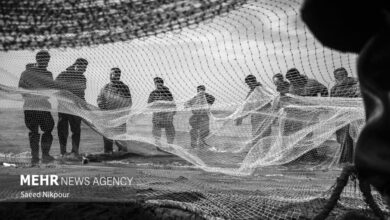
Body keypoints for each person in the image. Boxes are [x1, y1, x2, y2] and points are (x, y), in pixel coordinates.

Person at [18, 50, 55, 164]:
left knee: (48, 129)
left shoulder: (48, 74)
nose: (47, 62)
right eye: (45, 60)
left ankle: (44, 155)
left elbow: (51, 89)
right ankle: (35, 157)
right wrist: (33, 97)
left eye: (48, 60)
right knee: (34, 131)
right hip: (31, 106)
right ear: (38, 60)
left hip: (42, 106)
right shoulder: (26, 73)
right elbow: (21, 88)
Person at [55, 58, 88, 157]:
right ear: (76, 65)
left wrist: (84, 105)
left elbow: (81, 94)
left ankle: (75, 151)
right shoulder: (63, 75)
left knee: (76, 130)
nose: (84, 70)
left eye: (85, 68)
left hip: (76, 108)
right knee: (62, 130)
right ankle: (63, 152)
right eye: (83, 67)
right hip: (63, 107)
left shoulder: (82, 78)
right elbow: (55, 88)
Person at [97, 68, 132, 153]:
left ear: (119, 76)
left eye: (116, 74)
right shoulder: (105, 87)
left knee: (121, 136)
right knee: (107, 135)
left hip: (120, 116)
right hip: (107, 116)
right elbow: (99, 99)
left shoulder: (124, 87)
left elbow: (129, 101)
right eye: (112, 74)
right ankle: (108, 151)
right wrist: (104, 108)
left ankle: (123, 152)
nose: (113, 76)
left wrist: (124, 112)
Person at [330, 67, 360, 163]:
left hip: (354, 115)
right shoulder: (334, 88)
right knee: (341, 138)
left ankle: (353, 159)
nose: (343, 77)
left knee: (352, 136)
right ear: (336, 77)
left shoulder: (355, 84)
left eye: (344, 74)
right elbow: (331, 102)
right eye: (340, 75)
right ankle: (345, 158)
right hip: (340, 116)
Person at [235, 75, 272, 139]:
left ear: (254, 81)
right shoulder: (251, 92)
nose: (248, 86)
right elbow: (245, 106)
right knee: (256, 136)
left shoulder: (263, 89)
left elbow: (271, 99)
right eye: (248, 84)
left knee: (265, 136)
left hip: (265, 116)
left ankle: (264, 148)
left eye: (249, 84)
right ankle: (257, 148)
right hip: (256, 117)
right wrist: (240, 117)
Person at [147, 77, 176, 145]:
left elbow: (172, 103)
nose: (158, 85)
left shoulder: (167, 92)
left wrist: (172, 112)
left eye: (160, 83)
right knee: (156, 131)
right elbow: (149, 104)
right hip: (157, 115)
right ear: (155, 84)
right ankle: (158, 145)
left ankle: (170, 145)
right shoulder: (153, 93)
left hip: (167, 115)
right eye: (157, 83)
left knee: (170, 131)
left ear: (162, 84)